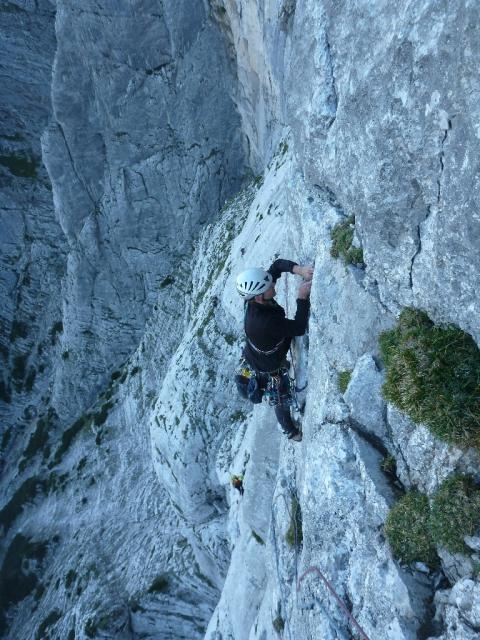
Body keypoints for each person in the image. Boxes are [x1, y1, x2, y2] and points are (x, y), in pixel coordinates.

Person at [236, 259, 313, 442]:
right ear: (260, 297)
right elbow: (299, 328)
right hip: (268, 366)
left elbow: (277, 266)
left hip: (255, 354)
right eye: (269, 285)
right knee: (281, 397)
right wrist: (302, 297)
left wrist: (300, 270)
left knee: (280, 392)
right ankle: (290, 431)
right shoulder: (263, 322)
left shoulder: (256, 298)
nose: (272, 283)